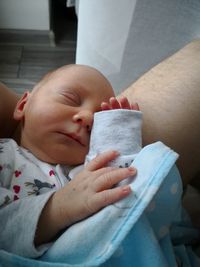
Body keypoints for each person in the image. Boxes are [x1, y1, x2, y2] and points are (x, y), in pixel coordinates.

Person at [0, 64, 137, 258]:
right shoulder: (4, 155)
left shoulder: (89, 167)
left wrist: (121, 138)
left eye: (99, 121)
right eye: (70, 98)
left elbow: (129, 190)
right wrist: (58, 208)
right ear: (23, 105)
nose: (88, 118)